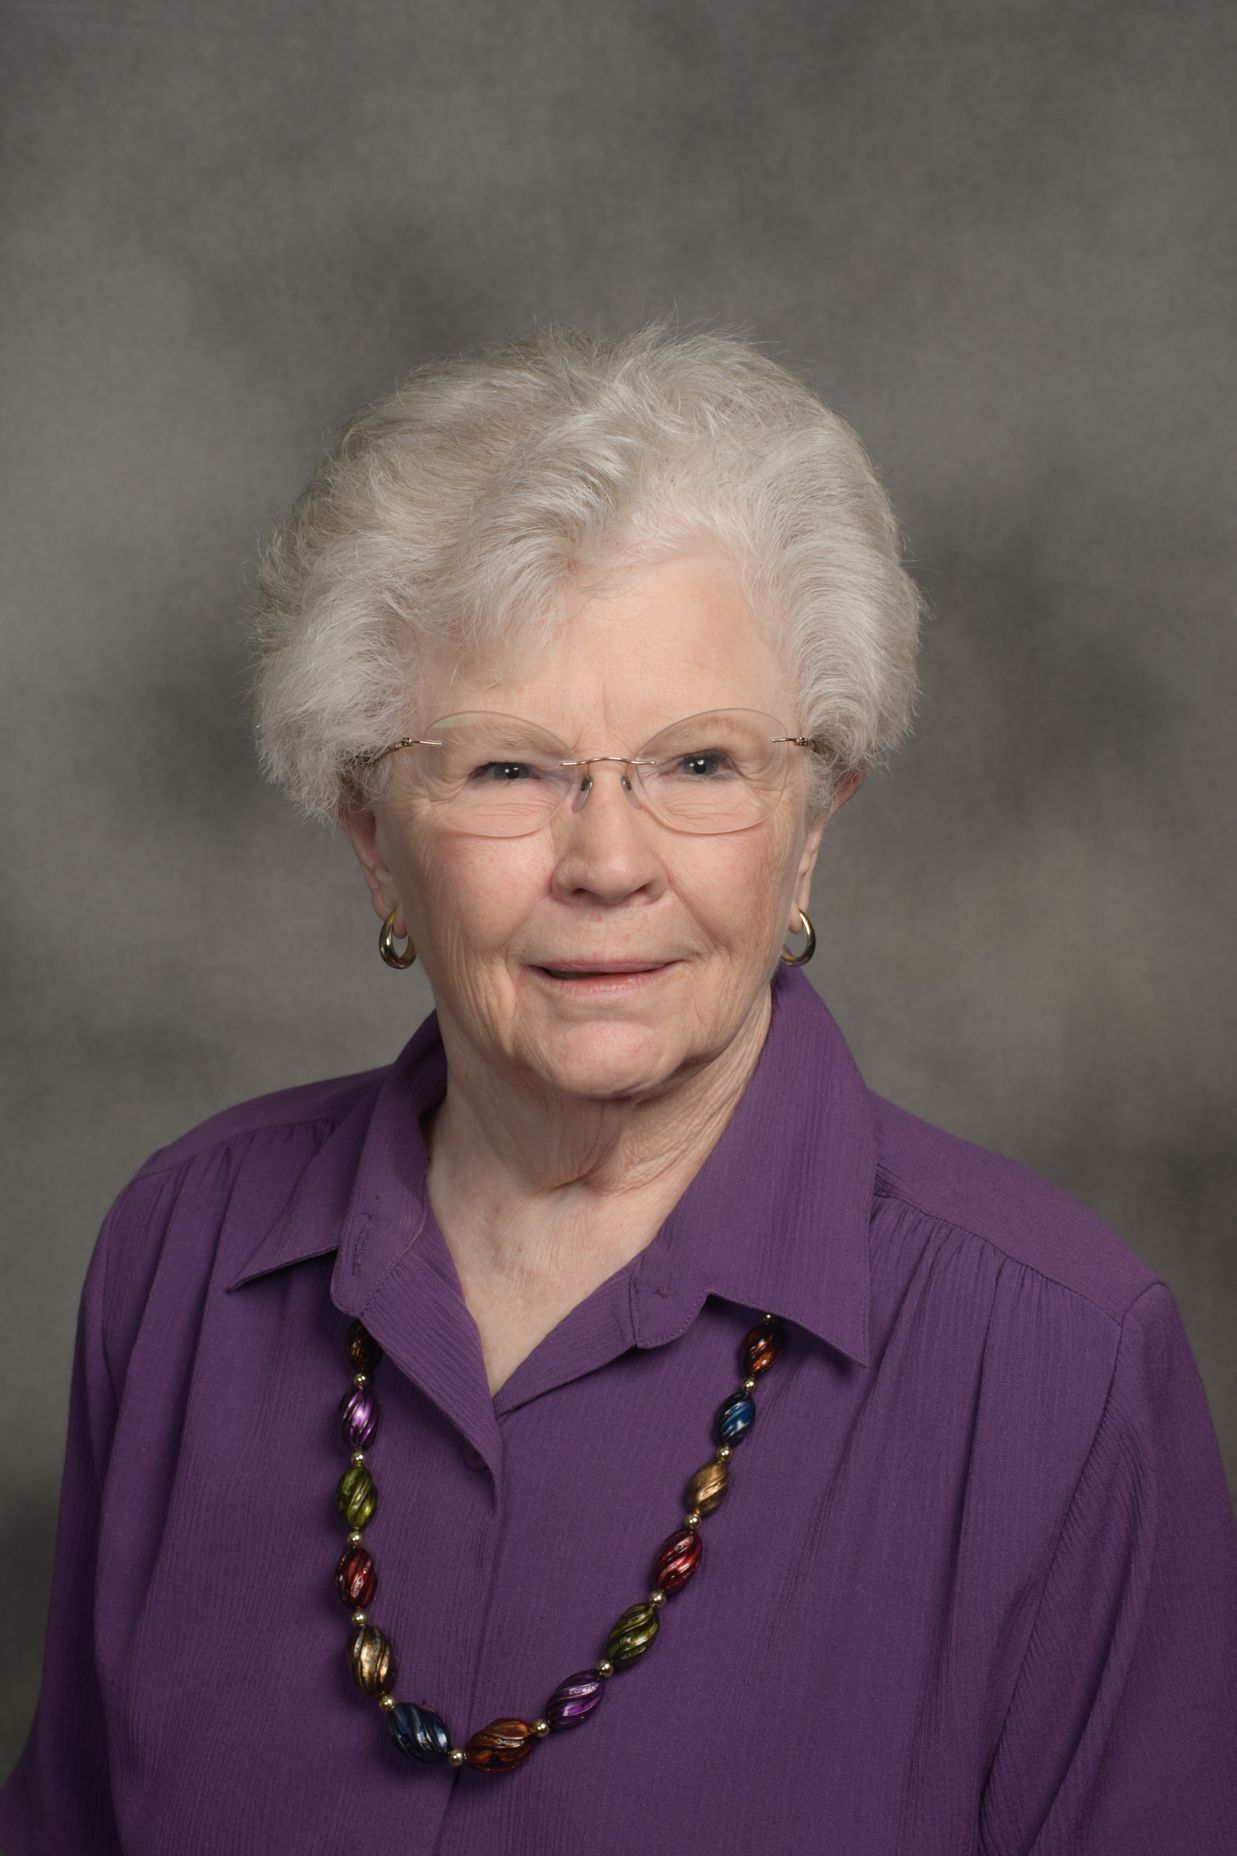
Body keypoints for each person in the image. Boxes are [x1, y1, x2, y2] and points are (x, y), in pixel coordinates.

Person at [2, 323, 1235, 1856]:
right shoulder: (185, 1255)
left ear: (811, 825)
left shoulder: (1056, 1364)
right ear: (372, 836)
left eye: (700, 764)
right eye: (508, 768)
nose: (606, 861)